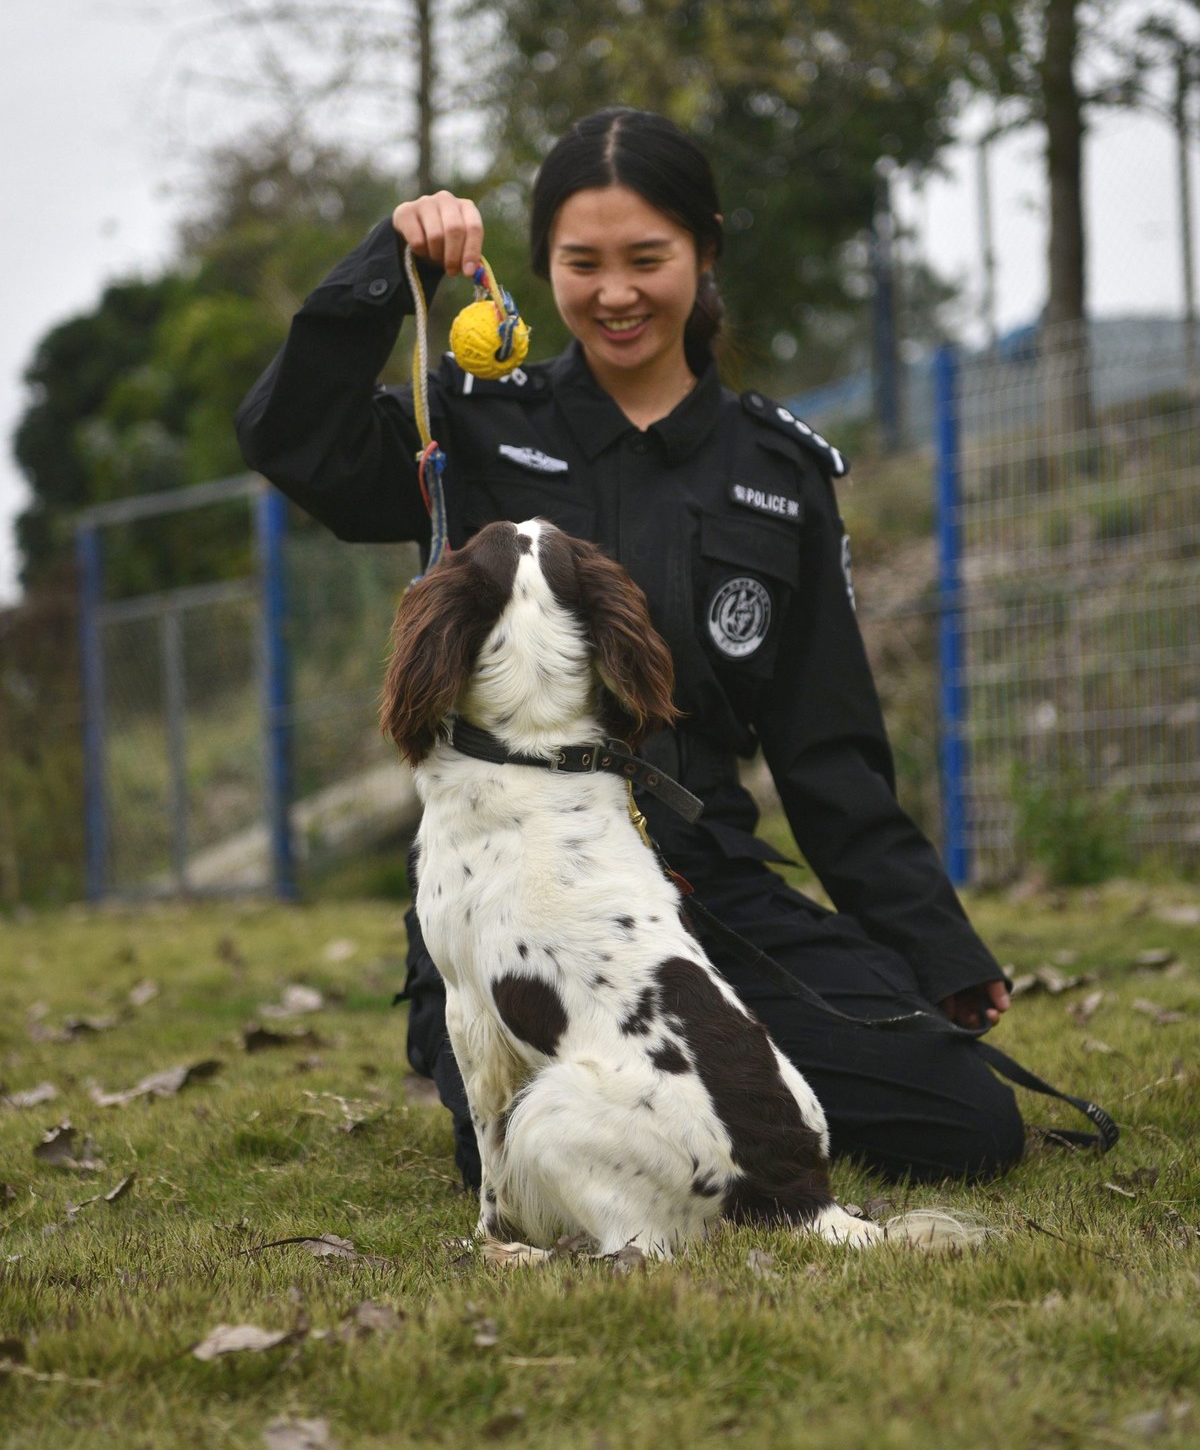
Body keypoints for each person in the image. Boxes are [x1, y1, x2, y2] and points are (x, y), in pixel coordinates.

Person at [235, 107, 1022, 1186]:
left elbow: (829, 753)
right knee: (554, 1151)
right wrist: (390, 265)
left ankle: (732, 1056)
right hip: (521, 898)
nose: (615, 293)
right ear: (541, 268)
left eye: (647, 258)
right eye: (581, 262)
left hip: (711, 887)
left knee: (968, 1125)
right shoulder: (469, 423)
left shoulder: (780, 472)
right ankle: (678, 1083)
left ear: (705, 251)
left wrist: (935, 950)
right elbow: (290, 437)